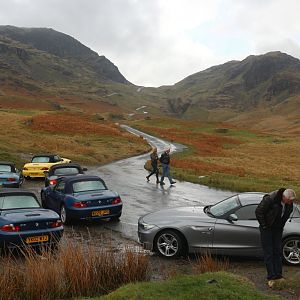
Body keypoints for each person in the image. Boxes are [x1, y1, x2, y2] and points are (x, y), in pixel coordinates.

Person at [255, 188, 296, 288]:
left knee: (278, 251)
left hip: (277, 229)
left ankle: (278, 275)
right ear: (283, 197)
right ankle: (271, 277)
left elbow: (285, 215)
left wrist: (280, 226)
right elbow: (258, 212)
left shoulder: (289, 203)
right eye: (290, 200)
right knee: (269, 252)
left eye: (292, 201)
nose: (291, 202)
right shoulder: (270, 199)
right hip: (267, 229)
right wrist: (264, 226)